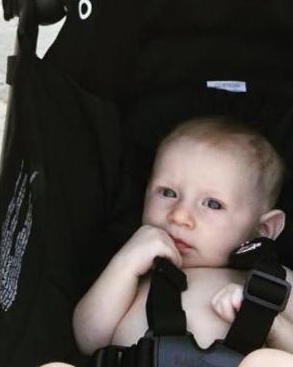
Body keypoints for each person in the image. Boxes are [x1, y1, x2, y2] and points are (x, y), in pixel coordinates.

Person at [67, 116, 293, 367]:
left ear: (263, 229)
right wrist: (124, 264)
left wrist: (271, 323)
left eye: (212, 204)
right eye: (168, 193)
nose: (179, 216)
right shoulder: (136, 278)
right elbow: (87, 341)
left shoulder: (274, 284)